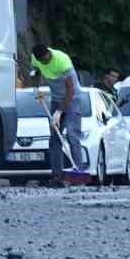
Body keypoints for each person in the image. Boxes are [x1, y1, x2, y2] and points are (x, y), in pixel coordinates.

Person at [31, 43, 88, 186]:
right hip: (56, 99)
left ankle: (78, 174)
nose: (45, 62)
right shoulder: (36, 58)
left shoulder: (62, 61)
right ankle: (57, 176)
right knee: (54, 138)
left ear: (48, 53)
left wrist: (59, 112)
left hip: (73, 99)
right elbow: (35, 71)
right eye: (42, 61)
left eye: (46, 59)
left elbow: (70, 91)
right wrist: (36, 87)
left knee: (72, 134)